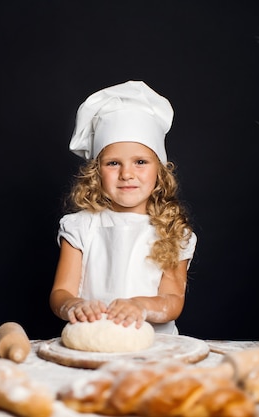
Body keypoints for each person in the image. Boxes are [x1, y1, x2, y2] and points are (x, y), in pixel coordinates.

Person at [49, 80, 197, 335]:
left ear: (160, 171)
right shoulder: (80, 227)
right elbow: (61, 292)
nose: (127, 174)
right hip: (94, 342)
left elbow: (173, 300)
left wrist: (140, 306)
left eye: (140, 162)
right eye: (113, 163)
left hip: (157, 349)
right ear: (96, 172)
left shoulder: (173, 232)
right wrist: (73, 305)